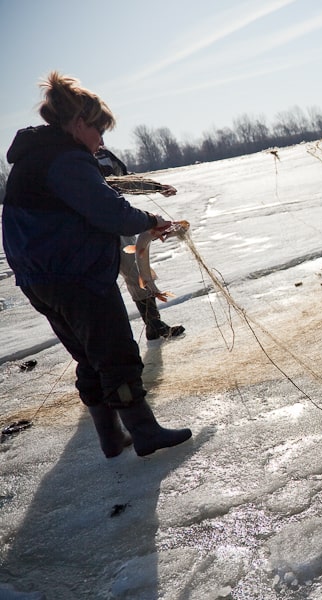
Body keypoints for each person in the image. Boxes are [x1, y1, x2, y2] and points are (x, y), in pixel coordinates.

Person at [2, 71, 192, 458]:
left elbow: (81, 212)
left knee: (89, 356)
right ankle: (144, 432)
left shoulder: (35, 157)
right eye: (98, 131)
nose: (101, 142)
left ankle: (110, 437)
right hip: (75, 274)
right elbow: (109, 211)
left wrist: (138, 224)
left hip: (40, 277)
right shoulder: (66, 158)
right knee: (114, 352)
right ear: (78, 124)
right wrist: (148, 220)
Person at [94, 146, 186, 340]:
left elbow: (125, 180)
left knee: (136, 271)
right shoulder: (72, 160)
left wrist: (157, 187)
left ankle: (154, 325)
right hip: (89, 231)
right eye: (96, 129)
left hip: (118, 222)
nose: (100, 139)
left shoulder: (103, 155)